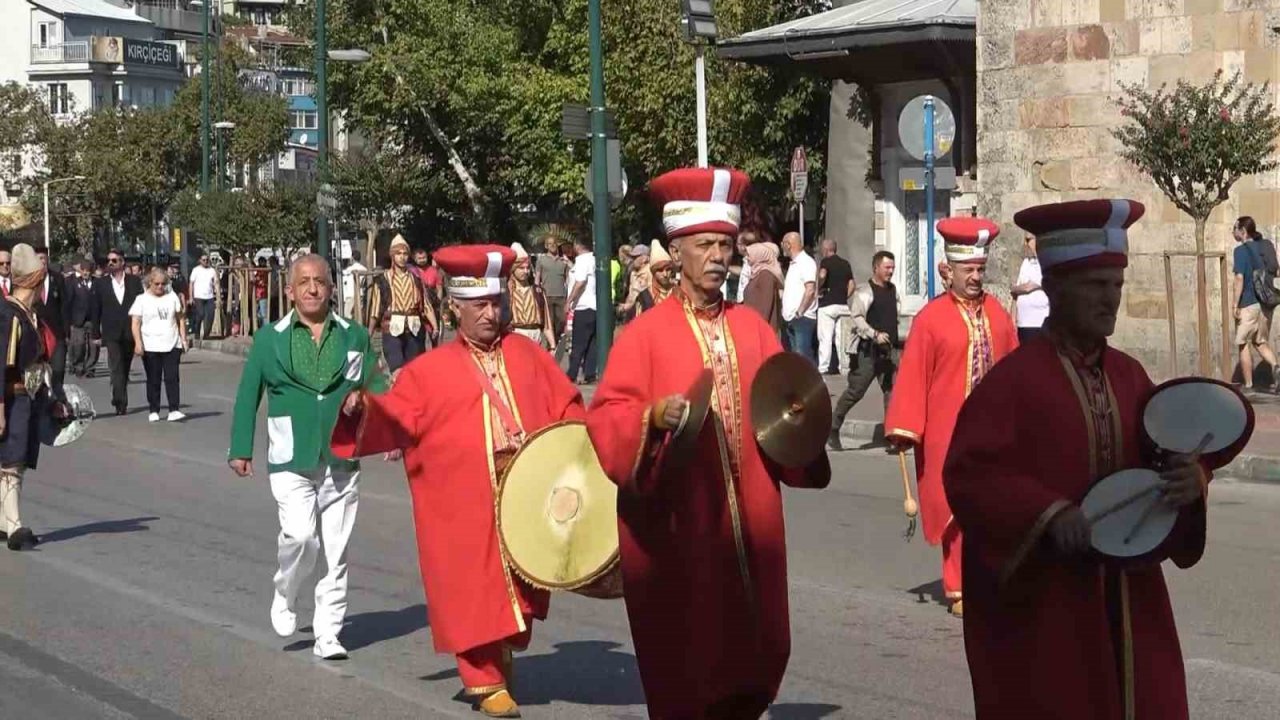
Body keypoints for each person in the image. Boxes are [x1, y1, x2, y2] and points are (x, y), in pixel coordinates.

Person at [944, 198, 1231, 720]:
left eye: (1116, 286)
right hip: (1050, 610)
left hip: (1131, 600)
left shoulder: (1130, 377)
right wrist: (1049, 513)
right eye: (1096, 286)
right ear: (1055, 289)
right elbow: (970, 475)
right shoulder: (1012, 384)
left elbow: (1165, 461)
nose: (1111, 301)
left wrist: (1193, 482)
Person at [586, 167, 831, 719]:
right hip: (679, 525)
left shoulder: (753, 328)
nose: (720, 256)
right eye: (706, 245)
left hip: (751, 516)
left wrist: (804, 426)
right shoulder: (644, 335)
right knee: (687, 655)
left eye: (726, 244)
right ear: (677, 252)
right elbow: (607, 418)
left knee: (758, 640)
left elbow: (784, 409)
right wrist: (651, 416)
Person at [331, 244, 585, 718]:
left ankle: (500, 645)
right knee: (471, 588)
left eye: (496, 304)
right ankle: (481, 676)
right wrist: (363, 407)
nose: (491, 314)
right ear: (454, 307)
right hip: (464, 498)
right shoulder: (429, 370)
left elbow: (567, 404)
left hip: (527, 491)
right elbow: (396, 412)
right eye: (479, 306)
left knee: (524, 588)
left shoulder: (527, 353)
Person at [228, 255, 374, 662]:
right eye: (304, 282)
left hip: (342, 458)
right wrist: (240, 448)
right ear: (289, 291)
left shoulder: (354, 335)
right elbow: (247, 396)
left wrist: (370, 406)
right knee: (300, 537)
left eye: (320, 282)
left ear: (331, 288)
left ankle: (328, 633)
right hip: (290, 457)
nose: (312, 289)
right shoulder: (269, 338)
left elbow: (375, 383)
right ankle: (286, 591)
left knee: (336, 552)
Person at [885, 217, 1018, 617]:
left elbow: (1015, 370)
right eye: (969, 270)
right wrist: (906, 426)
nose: (976, 277)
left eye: (981, 269)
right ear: (949, 271)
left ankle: (990, 575)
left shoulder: (998, 314)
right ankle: (958, 583)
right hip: (948, 430)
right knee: (955, 508)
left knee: (993, 505)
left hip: (993, 432)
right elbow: (912, 376)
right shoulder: (930, 320)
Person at [0, 245, 62, 551]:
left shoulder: (31, 315)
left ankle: (4, 521)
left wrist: (53, 398)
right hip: (12, 398)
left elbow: (42, 363)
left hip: (30, 397)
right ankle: (14, 526)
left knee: (17, 461)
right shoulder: (9, 314)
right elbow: (2, 365)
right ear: (35, 282)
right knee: (11, 461)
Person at [829, 250, 900, 451]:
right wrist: (874, 334)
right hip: (868, 352)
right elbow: (857, 317)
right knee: (856, 391)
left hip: (889, 351)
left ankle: (893, 437)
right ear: (876, 268)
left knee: (892, 393)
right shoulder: (864, 292)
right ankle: (833, 429)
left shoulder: (893, 289)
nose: (891, 271)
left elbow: (895, 315)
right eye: (887, 267)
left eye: (893, 268)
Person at [367, 234, 438, 370]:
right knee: (397, 370)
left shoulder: (416, 279)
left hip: (414, 328)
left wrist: (434, 326)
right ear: (392, 256)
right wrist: (369, 333)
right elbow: (375, 310)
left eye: (405, 253)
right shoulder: (383, 280)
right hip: (392, 328)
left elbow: (426, 305)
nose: (402, 257)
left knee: (414, 370)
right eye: (398, 253)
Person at [90, 249, 144, 416]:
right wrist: (95, 334)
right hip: (111, 332)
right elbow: (95, 309)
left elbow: (142, 307)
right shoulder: (101, 283)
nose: (111, 263)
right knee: (116, 366)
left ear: (122, 262)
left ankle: (118, 394)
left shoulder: (134, 282)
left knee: (125, 367)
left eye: (114, 260)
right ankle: (121, 402)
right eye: (109, 261)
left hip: (130, 331)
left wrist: (142, 332)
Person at [130, 268, 188, 423]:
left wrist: (184, 340)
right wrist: (138, 343)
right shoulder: (141, 300)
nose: (160, 287)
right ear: (150, 283)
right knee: (153, 379)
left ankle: (174, 409)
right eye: (157, 284)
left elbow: (180, 319)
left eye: (163, 284)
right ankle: (154, 409)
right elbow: (135, 323)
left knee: (172, 377)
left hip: (172, 343)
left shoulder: (172, 297)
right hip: (150, 345)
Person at [1232, 215, 1279, 394]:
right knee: (1260, 341)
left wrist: (1235, 305)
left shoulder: (1240, 251)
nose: (1233, 232)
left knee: (1243, 343)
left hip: (1249, 303)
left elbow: (1239, 278)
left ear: (1243, 232)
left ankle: (1249, 385)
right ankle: (1277, 368)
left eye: (1235, 229)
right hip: (1265, 304)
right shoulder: (1263, 247)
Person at [503, 242, 556, 350]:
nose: (526, 271)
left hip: (535, 336)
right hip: (515, 335)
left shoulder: (538, 291)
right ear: (513, 269)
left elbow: (546, 323)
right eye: (521, 268)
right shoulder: (506, 292)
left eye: (527, 268)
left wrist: (553, 345)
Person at [816, 238, 855, 375]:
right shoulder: (845, 264)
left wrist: (819, 286)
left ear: (826, 249)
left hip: (827, 305)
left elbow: (822, 275)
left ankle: (823, 367)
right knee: (842, 339)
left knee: (825, 337)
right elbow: (852, 285)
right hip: (842, 305)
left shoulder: (825, 262)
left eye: (822, 249)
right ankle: (844, 367)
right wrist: (845, 296)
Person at [780, 232, 818, 363]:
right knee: (795, 359)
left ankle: (814, 382)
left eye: (783, 244)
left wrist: (800, 312)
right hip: (791, 318)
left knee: (804, 357)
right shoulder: (794, 264)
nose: (782, 248)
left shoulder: (806, 262)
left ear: (788, 245)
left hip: (802, 318)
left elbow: (810, 289)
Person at [565, 236, 598, 384]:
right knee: (591, 343)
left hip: (583, 306)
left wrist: (569, 300)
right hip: (595, 306)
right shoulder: (594, 259)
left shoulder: (582, 260)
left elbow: (580, 281)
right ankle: (590, 373)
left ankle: (571, 373)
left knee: (578, 343)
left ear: (578, 246)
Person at [1012, 234, 1049, 342]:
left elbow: (1028, 287)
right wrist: (1013, 318)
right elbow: (1015, 293)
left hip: (1039, 323)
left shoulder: (1046, 263)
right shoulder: (1026, 263)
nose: (1025, 244)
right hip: (1023, 324)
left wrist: (1019, 288)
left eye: (1028, 240)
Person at [742, 241, 783, 334]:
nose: (747, 258)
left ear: (759, 256)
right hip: (753, 326)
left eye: (749, 255)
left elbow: (766, 307)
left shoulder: (766, 275)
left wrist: (757, 329)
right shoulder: (757, 273)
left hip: (761, 331)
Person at [535, 234, 571, 339]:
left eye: (554, 243)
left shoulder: (563, 261)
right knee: (549, 322)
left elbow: (568, 278)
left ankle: (557, 337)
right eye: (550, 244)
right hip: (547, 295)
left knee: (562, 320)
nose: (553, 245)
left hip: (561, 296)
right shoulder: (541, 260)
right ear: (546, 246)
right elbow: (537, 277)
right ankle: (551, 343)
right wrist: (537, 291)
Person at [66, 261, 97, 378]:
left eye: (88, 271)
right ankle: (78, 366)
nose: (86, 273)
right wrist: (69, 320)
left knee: (93, 346)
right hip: (78, 319)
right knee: (79, 344)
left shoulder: (96, 282)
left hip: (93, 319)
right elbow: (69, 301)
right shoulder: (74, 283)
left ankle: (90, 368)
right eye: (83, 270)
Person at [632, 240, 677, 317]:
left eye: (668, 269)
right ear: (653, 272)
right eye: (660, 270)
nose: (665, 274)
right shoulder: (644, 297)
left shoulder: (679, 291)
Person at [618, 245, 652, 322]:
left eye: (635, 257)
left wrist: (628, 306)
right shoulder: (633, 273)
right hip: (632, 315)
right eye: (632, 257)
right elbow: (632, 294)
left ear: (644, 258)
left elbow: (649, 297)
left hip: (644, 316)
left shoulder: (649, 272)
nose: (633, 259)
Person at [188, 254, 218, 340]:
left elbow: (215, 283)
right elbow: (191, 283)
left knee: (210, 315)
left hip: (209, 296)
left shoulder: (212, 270)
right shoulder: (196, 270)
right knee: (200, 314)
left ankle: (206, 334)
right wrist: (191, 297)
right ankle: (197, 332)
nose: (205, 261)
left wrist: (217, 295)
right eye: (204, 260)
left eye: (207, 260)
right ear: (200, 261)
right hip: (198, 296)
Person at [341, 250, 368, 320]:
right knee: (359, 316)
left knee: (347, 316)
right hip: (361, 295)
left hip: (350, 296)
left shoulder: (348, 270)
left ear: (352, 258)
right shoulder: (365, 269)